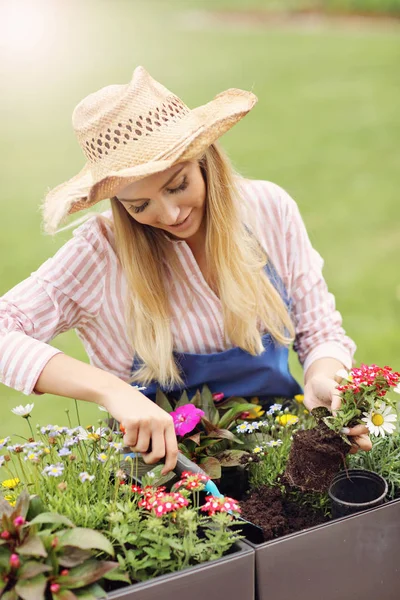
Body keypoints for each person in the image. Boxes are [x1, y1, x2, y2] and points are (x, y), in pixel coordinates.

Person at [0, 66, 371, 474]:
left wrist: (325, 374)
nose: (170, 214)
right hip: (169, 474)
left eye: (178, 185)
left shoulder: (268, 210)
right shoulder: (101, 252)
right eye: (139, 206)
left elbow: (321, 332)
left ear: (204, 159)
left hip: (281, 448)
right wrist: (111, 391)